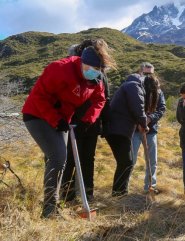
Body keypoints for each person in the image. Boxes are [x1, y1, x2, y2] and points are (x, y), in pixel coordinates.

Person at [22, 40, 116, 218]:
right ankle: (49, 210)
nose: (94, 72)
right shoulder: (60, 68)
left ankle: (54, 204)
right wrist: (56, 120)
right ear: (81, 61)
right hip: (37, 115)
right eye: (91, 67)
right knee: (58, 157)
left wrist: (89, 119)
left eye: (98, 69)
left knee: (61, 160)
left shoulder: (95, 78)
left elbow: (100, 100)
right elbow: (40, 96)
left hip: (63, 119)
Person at [61, 40, 112, 203]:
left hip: (89, 123)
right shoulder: (71, 69)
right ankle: (68, 196)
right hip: (72, 123)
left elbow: (104, 100)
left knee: (84, 159)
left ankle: (85, 194)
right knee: (72, 159)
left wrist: (102, 124)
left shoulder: (99, 72)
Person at [106, 73, 148, 197]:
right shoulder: (134, 86)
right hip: (119, 130)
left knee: (124, 162)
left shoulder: (126, 85)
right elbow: (138, 107)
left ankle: (119, 192)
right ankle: (119, 193)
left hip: (115, 129)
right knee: (126, 162)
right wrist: (144, 123)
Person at [131, 62, 166, 194]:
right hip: (134, 130)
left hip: (151, 131)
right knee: (131, 159)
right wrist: (139, 120)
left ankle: (150, 186)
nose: (148, 77)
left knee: (152, 161)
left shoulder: (157, 90)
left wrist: (150, 118)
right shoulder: (133, 88)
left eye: (150, 74)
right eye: (145, 73)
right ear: (139, 72)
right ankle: (123, 187)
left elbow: (162, 108)